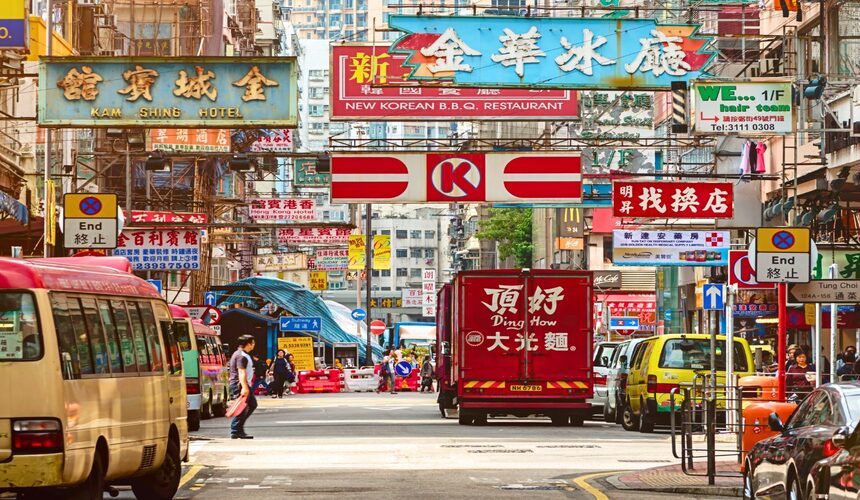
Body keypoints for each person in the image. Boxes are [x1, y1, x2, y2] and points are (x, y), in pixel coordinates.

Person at [228, 335, 258, 439]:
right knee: (244, 407)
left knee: (251, 405)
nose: (254, 345)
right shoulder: (241, 356)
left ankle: (238, 430)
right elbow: (241, 372)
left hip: (244, 384)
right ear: (248, 344)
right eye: (253, 343)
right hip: (240, 384)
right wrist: (244, 387)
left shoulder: (243, 354)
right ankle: (235, 430)